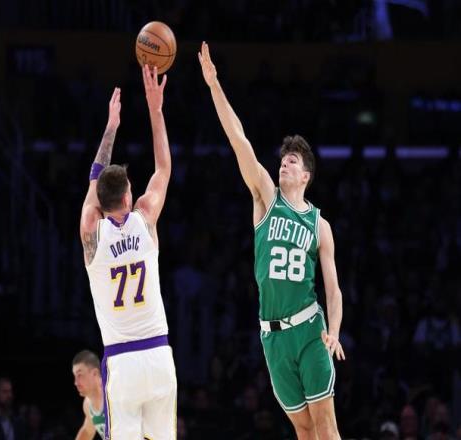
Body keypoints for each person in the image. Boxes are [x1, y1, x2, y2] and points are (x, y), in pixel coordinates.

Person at [199, 42, 345, 439]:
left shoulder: (319, 224)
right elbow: (239, 140)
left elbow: (333, 288)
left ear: (306, 176)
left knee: (325, 425)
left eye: (292, 161)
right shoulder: (266, 197)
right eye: (283, 159)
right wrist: (214, 85)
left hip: (310, 328)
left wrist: (334, 330)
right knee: (303, 429)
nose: (284, 163)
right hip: (273, 335)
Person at [79, 65, 177, 439]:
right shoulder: (145, 218)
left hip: (121, 361)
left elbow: (94, 183)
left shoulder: (91, 232)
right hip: (158, 355)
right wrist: (156, 109)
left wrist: (111, 127)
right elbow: (164, 167)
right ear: (127, 197)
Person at [72, 350, 105, 439]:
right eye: (75, 376)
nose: (76, 383)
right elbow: (87, 431)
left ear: (95, 373)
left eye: (80, 375)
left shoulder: (113, 392)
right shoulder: (87, 404)